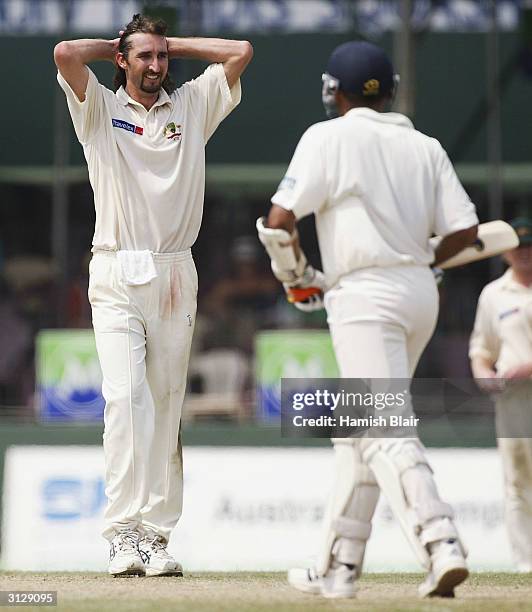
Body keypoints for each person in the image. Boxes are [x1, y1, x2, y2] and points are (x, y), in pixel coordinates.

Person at [257, 41, 478, 598]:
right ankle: (338, 567)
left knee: (381, 429)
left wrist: (297, 275)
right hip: (419, 292)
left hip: (363, 296)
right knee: (360, 431)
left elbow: (279, 221)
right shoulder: (424, 145)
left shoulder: (326, 137)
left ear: (333, 90)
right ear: (393, 89)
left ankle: (439, 540)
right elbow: (466, 233)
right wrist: (424, 257)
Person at [53, 14, 252, 577]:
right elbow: (67, 51)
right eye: (144, 57)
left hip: (173, 272)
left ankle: (156, 537)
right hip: (116, 269)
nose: (156, 66)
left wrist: (174, 45)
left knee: (166, 407)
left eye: (162, 57)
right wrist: (122, 43)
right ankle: (121, 534)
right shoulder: (98, 109)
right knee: (124, 402)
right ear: (121, 60)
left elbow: (239, 51)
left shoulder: (191, 104)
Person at [469, 217, 532, 572]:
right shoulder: (494, 295)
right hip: (512, 402)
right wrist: (484, 374)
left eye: (530, 246)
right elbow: (481, 347)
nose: (525, 253)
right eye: (518, 246)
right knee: (516, 480)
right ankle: (525, 564)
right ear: (506, 252)